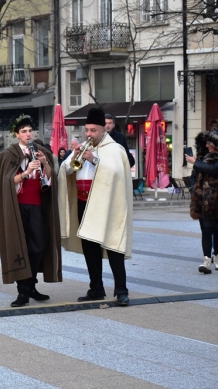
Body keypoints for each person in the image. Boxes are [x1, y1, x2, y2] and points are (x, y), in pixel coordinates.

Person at [58, 107, 132, 306]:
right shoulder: (81, 147)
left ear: (103, 131)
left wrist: (94, 160)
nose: (88, 134)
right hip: (84, 202)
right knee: (90, 248)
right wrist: (73, 160)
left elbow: (116, 172)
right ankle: (96, 288)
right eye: (87, 130)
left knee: (113, 246)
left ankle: (121, 290)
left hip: (106, 205)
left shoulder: (114, 149)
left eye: (93, 130)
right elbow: (65, 170)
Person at [0, 114, 62, 307]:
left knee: (39, 245)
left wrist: (44, 163)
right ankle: (23, 291)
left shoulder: (40, 151)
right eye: (23, 131)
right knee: (20, 246)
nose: (27, 134)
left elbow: (51, 178)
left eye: (29, 131)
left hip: (37, 205)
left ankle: (31, 285)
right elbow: (6, 182)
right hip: (17, 207)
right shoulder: (8, 154)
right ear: (16, 134)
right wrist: (25, 172)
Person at [186, 131, 218, 273]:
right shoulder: (202, 159)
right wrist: (194, 189)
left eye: (209, 143)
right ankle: (206, 261)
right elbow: (193, 176)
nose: (207, 146)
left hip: (216, 201)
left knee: (217, 231)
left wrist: (195, 162)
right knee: (206, 230)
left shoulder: (210, 160)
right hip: (203, 202)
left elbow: (213, 169)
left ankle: (216, 257)